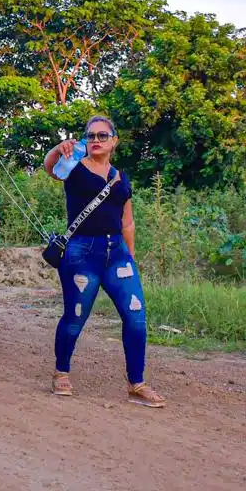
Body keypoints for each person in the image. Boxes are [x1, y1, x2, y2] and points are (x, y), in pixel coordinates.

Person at [43, 116, 166, 408]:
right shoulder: (73, 168)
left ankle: (136, 383)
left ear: (114, 141)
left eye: (102, 135)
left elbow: (128, 220)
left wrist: (131, 257)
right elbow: (50, 169)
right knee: (75, 318)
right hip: (81, 252)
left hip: (118, 254)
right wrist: (58, 150)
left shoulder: (121, 177)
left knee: (136, 318)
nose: (96, 140)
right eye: (91, 135)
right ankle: (61, 372)